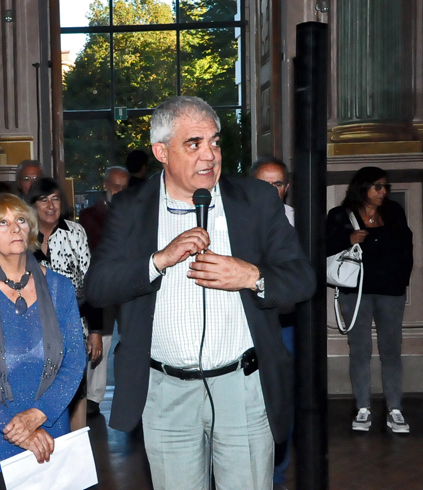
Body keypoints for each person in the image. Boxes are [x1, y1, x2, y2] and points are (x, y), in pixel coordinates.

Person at [84, 96, 315, 490]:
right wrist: (158, 260)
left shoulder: (256, 200)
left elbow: (302, 278)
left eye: (215, 142)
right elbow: (98, 287)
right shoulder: (130, 208)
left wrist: (251, 275)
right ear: (161, 152)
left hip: (243, 388)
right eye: (194, 143)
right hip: (165, 394)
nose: (210, 155)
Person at [0, 193, 84, 489]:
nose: (15, 228)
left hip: (49, 433)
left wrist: (37, 416)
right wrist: (20, 431)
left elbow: (75, 363)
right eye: (3, 222)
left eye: (21, 219)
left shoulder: (60, 288)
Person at [326, 167, 413, 434]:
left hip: (390, 292)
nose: (383, 192)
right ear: (362, 187)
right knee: (360, 350)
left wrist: (402, 280)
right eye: (377, 186)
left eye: (385, 187)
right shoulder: (340, 215)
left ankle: (395, 408)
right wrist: (348, 239)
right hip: (356, 292)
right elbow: (324, 247)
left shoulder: (393, 212)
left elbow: (406, 246)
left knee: (391, 350)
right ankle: (363, 407)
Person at [26, 177, 101, 430]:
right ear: (32, 205)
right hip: (33, 330)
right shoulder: (23, 235)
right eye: (43, 200)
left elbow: (91, 283)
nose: (51, 206)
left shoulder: (75, 232)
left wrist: (96, 330)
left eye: (56, 199)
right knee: (39, 392)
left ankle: (76, 444)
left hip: (74, 327)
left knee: (76, 389)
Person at [250, 156, 295, 487]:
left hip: (285, 323)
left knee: (282, 397)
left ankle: (277, 472)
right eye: (263, 184)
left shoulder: (298, 220)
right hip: (248, 323)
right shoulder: (233, 219)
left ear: (286, 188)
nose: (270, 190)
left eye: (276, 184)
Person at [79, 166, 129, 415]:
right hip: (104, 283)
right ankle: (94, 397)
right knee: (101, 339)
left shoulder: (136, 212)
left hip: (129, 283)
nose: (119, 191)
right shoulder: (89, 216)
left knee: (131, 340)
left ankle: (130, 392)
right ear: (106, 186)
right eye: (115, 186)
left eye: (124, 187)